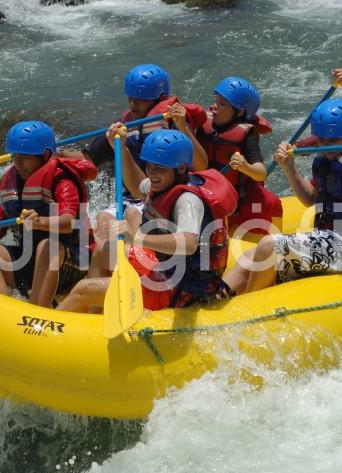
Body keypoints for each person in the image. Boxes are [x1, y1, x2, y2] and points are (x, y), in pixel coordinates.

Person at [222, 98, 342, 294]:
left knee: (268, 246)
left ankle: (254, 311)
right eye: (321, 140)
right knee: (250, 256)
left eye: (333, 140)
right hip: (330, 241)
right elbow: (310, 199)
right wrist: (289, 167)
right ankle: (218, 300)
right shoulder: (326, 162)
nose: (326, 147)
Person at [57, 129, 238, 313]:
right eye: (149, 167)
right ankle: (93, 319)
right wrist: (122, 150)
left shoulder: (187, 201)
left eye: (159, 169)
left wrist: (137, 237)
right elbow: (137, 186)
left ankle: (73, 326)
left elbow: (189, 243)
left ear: (182, 168)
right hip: (166, 269)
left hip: (182, 289)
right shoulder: (164, 181)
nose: (152, 173)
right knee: (104, 250)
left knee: (83, 290)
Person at [0, 121, 97, 307]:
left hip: (73, 262)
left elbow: (68, 223)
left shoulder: (63, 180)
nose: (17, 163)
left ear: (45, 156)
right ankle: (0, 306)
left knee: (47, 246)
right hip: (31, 261)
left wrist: (39, 222)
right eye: (15, 156)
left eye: (24, 157)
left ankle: (38, 309)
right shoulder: (14, 184)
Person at [59, 64, 208, 237]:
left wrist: (182, 126)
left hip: (161, 195)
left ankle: (142, 257)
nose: (132, 104)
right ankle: (111, 262)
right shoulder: (124, 126)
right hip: (134, 195)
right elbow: (89, 158)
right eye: (130, 98)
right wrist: (57, 156)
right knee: (103, 219)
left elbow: (201, 165)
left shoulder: (174, 124)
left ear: (160, 98)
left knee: (133, 216)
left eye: (140, 99)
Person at [195, 76, 283, 235]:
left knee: (266, 200)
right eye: (216, 101)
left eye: (222, 104)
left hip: (238, 200)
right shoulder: (203, 124)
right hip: (207, 193)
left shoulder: (247, 135)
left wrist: (245, 166)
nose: (214, 107)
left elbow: (260, 173)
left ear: (239, 111)